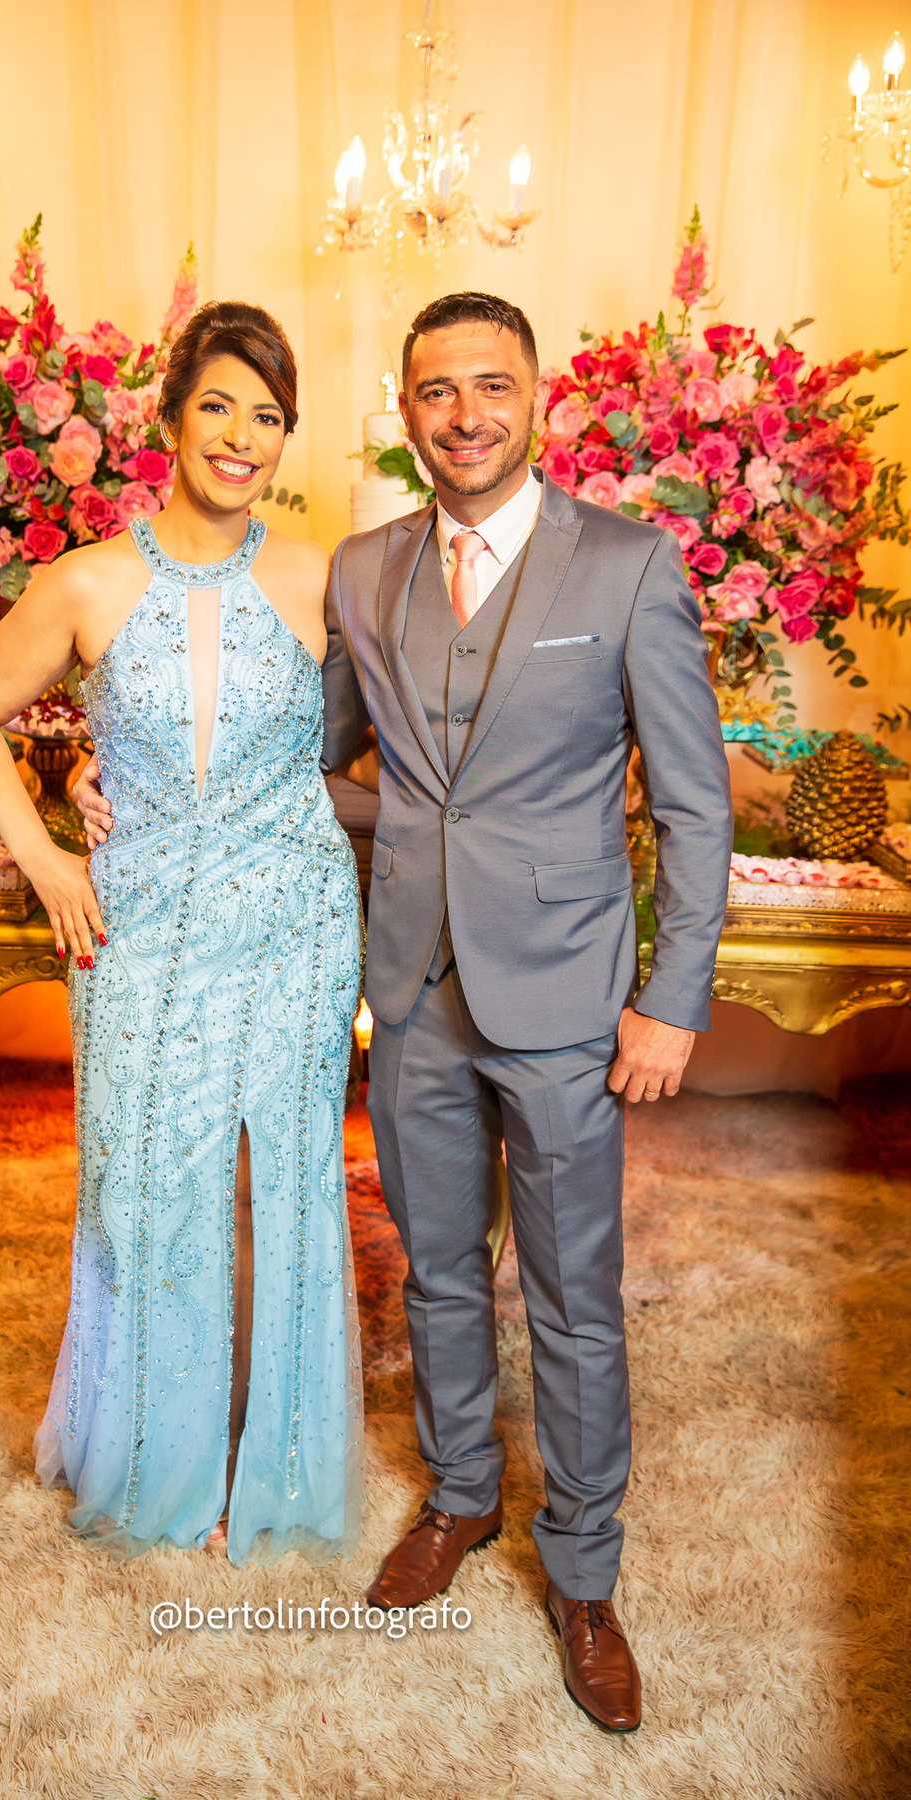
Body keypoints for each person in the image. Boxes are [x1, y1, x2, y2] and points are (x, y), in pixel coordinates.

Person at [309, 291, 734, 1733]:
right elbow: (323, 766)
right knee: (435, 1269)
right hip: (414, 985)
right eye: (437, 390)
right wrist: (136, 779)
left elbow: (693, 805)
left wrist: (671, 999)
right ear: (405, 407)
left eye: (492, 385)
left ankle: (586, 1574)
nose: (465, 414)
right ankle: (462, 1495)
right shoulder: (363, 569)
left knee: (573, 1297)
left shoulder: (628, 565)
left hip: (564, 994)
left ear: (538, 398)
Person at [0, 301, 364, 1567]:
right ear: (171, 419)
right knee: (143, 1184)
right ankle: (154, 1455)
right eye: (218, 406)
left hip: (294, 921)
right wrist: (48, 851)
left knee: (283, 1188)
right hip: (136, 929)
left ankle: (268, 1462)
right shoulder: (87, 581)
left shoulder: (324, 577)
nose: (242, 436)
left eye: (268, 416)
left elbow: (369, 749)